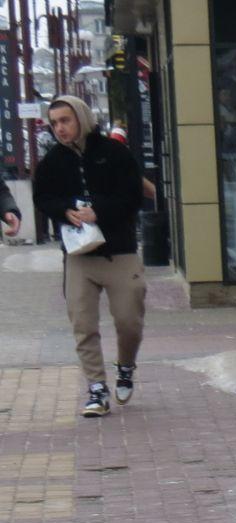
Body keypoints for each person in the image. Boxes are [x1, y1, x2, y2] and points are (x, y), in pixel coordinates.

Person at [30, 95, 146, 417]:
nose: (60, 129)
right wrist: (65, 211)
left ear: (81, 118)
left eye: (65, 120)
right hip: (79, 256)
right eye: (54, 123)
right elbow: (42, 197)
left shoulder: (114, 153)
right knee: (82, 323)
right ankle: (96, 387)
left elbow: (132, 195)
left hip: (119, 252)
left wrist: (100, 211)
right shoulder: (52, 161)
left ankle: (126, 365)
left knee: (129, 321)